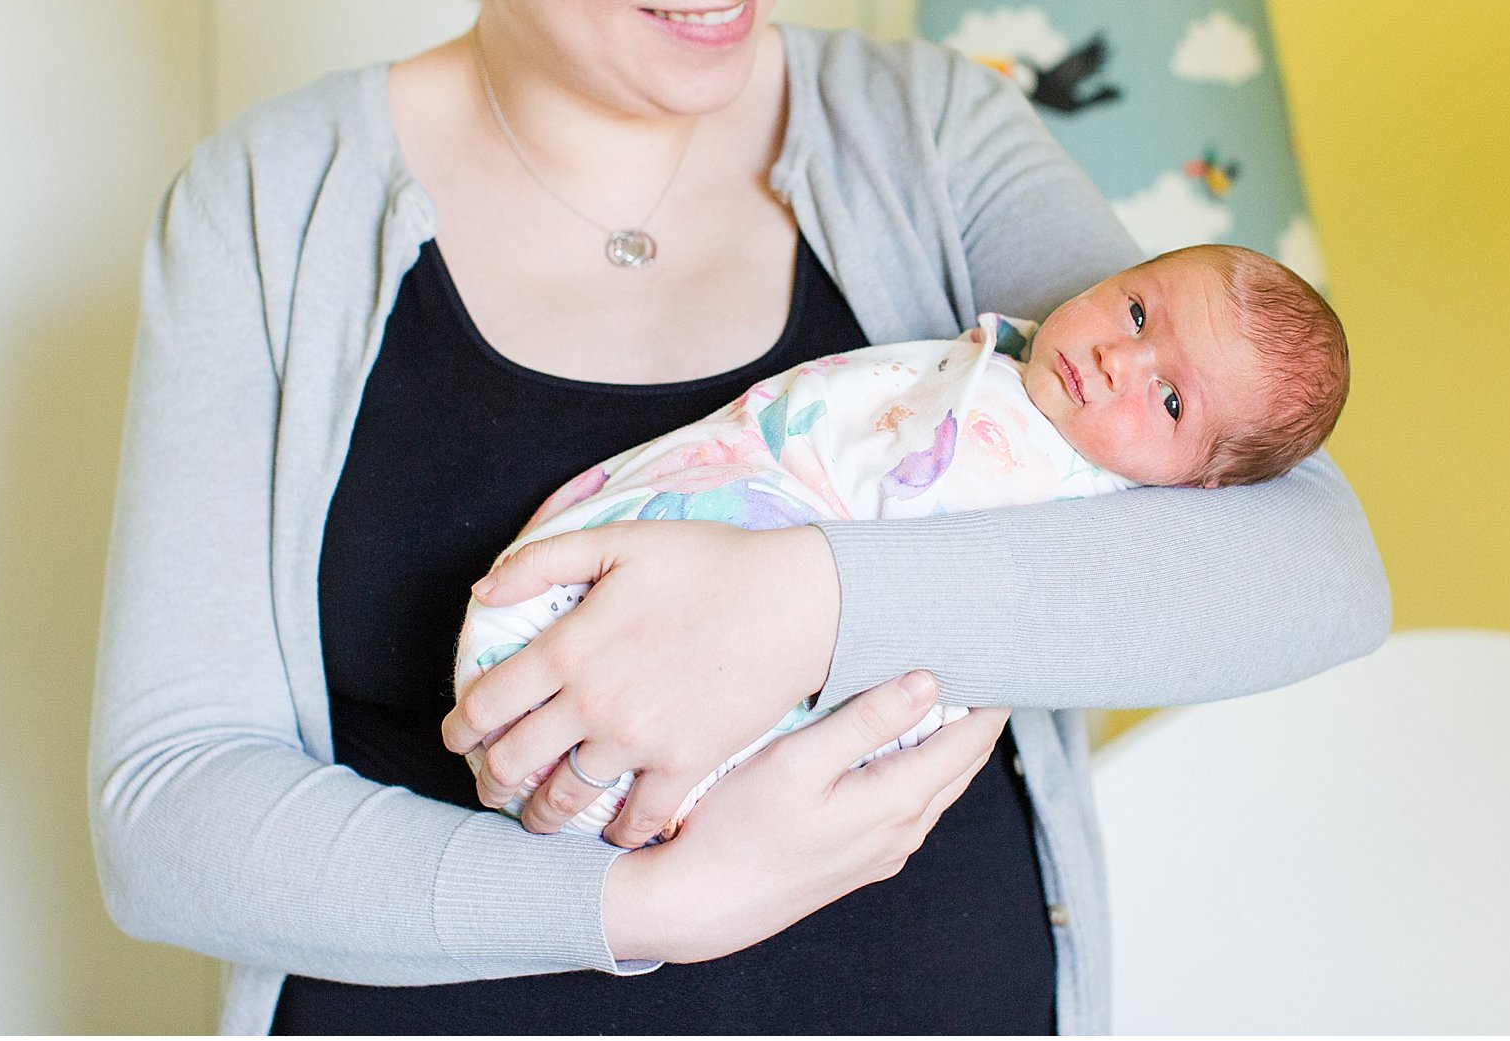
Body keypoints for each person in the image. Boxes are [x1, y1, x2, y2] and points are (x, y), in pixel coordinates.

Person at [87, 0, 1390, 1035]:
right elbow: (169, 811)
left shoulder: (932, 141)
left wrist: (800, 606)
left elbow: (1316, 573)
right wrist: (649, 907)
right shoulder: (271, 206)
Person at [455, 243, 1351, 839]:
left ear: (1201, 487)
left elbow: (1339, 583)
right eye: (1139, 312)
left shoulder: (1065, 500)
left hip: (730, 718)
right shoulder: (1014, 362)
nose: (1122, 358)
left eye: (1169, 401)